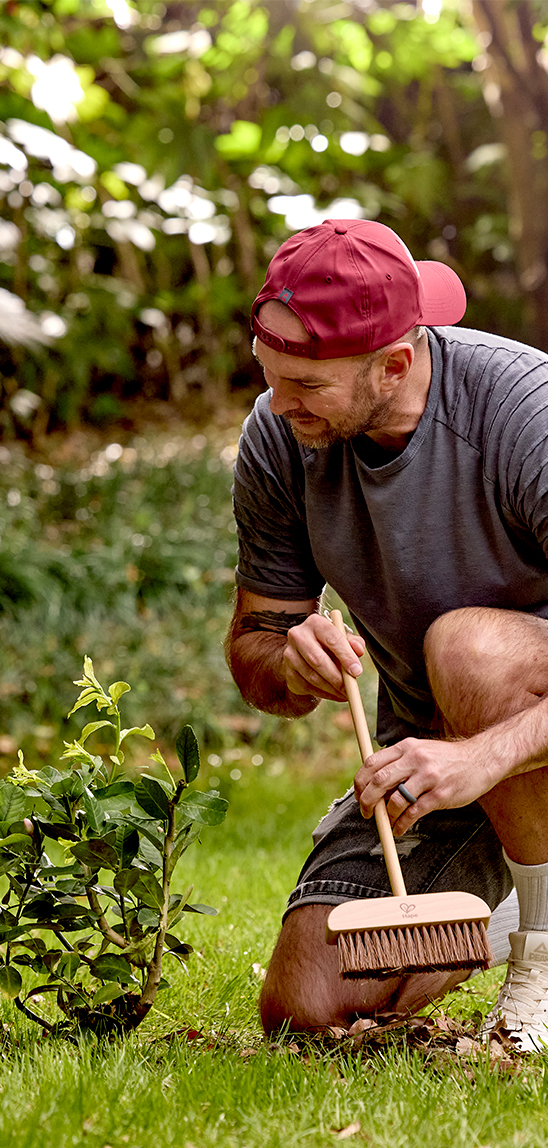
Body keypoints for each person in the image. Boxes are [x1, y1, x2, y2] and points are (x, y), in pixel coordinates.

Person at [225, 216, 548, 1052]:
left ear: (395, 363)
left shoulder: (524, 416)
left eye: (305, 384)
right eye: (270, 374)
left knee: (466, 647)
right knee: (306, 1004)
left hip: (514, 736)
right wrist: (291, 665)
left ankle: (544, 947)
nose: (276, 402)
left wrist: (486, 754)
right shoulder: (279, 439)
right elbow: (254, 649)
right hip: (438, 765)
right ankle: (520, 890)